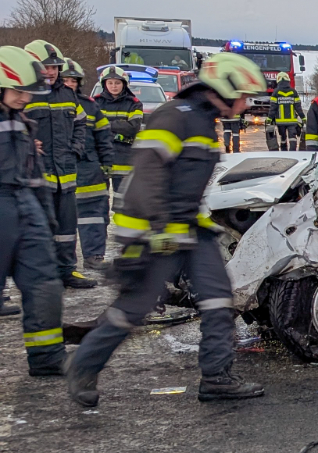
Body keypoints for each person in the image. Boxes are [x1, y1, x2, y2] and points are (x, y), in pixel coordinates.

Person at [68, 52, 270, 408]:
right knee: (136, 306)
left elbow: (186, 183)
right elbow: (147, 175)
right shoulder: (174, 116)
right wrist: (156, 230)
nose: (246, 104)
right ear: (224, 88)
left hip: (188, 229)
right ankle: (82, 366)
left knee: (218, 298)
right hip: (154, 230)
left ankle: (217, 378)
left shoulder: (203, 121)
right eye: (243, 96)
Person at [0, 47, 66, 375]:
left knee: (43, 283)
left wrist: (46, 218)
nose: (24, 98)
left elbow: (34, 173)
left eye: (28, 92)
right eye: (18, 91)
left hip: (25, 205)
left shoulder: (21, 122)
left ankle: (47, 358)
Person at [23, 40, 93, 289]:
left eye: (55, 67)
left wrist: (76, 147)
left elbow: (81, 122)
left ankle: (66, 271)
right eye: (46, 66)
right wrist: (27, 144)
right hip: (37, 176)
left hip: (66, 175)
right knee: (39, 229)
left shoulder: (67, 93)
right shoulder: (24, 94)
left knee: (66, 228)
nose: (51, 71)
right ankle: (42, 275)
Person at [61, 60, 114, 271]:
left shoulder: (90, 106)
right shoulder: (46, 103)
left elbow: (104, 137)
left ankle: (94, 256)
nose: (69, 84)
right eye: (65, 80)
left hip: (90, 169)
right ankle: (62, 263)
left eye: (73, 80)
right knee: (59, 218)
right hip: (61, 168)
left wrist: (107, 163)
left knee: (94, 215)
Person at [96, 66, 144, 198]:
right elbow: (91, 126)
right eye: (110, 83)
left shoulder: (134, 103)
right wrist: (119, 126)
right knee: (100, 199)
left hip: (124, 156)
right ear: (104, 84)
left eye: (117, 83)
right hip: (101, 156)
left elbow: (133, 127)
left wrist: (106, 125)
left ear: (124, 84)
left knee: (122, 199)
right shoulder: (96, 102)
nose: (114, 86)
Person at [268, 75, 303, 150]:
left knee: (283, 138)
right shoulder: (293, 92)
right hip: (292, 121)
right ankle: (292, 152)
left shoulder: (276, 92)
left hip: (280, 121)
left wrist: (269, 118)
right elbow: (298, 107)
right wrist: (303, 117)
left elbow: (273, 107)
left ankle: (284, 152)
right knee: (292, 138)